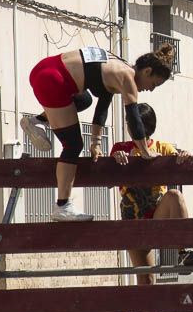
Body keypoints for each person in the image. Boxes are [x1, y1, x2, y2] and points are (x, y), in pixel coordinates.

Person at [20, 43, 175, 221]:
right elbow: (133, 118)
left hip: (45, 68)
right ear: (147, 71)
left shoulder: (117, 63)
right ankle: (62, 206)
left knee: (84, 100)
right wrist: (146, 152)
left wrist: (96, 143)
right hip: (54, 81)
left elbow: (102, 108)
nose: (151, 89)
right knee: (73, 144)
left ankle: (36, 121)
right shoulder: (128, 79)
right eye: (154, 84)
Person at [109, 103, 193, 312]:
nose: (129, 127)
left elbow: (180, 157)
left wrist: (184, 156)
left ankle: (183, 250)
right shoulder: (122, 149)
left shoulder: (163, 148)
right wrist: (115, 159)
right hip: (134, 220)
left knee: (175, 196)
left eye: (132, 123)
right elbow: (110, 165)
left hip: (157, 214)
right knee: (145, 278)